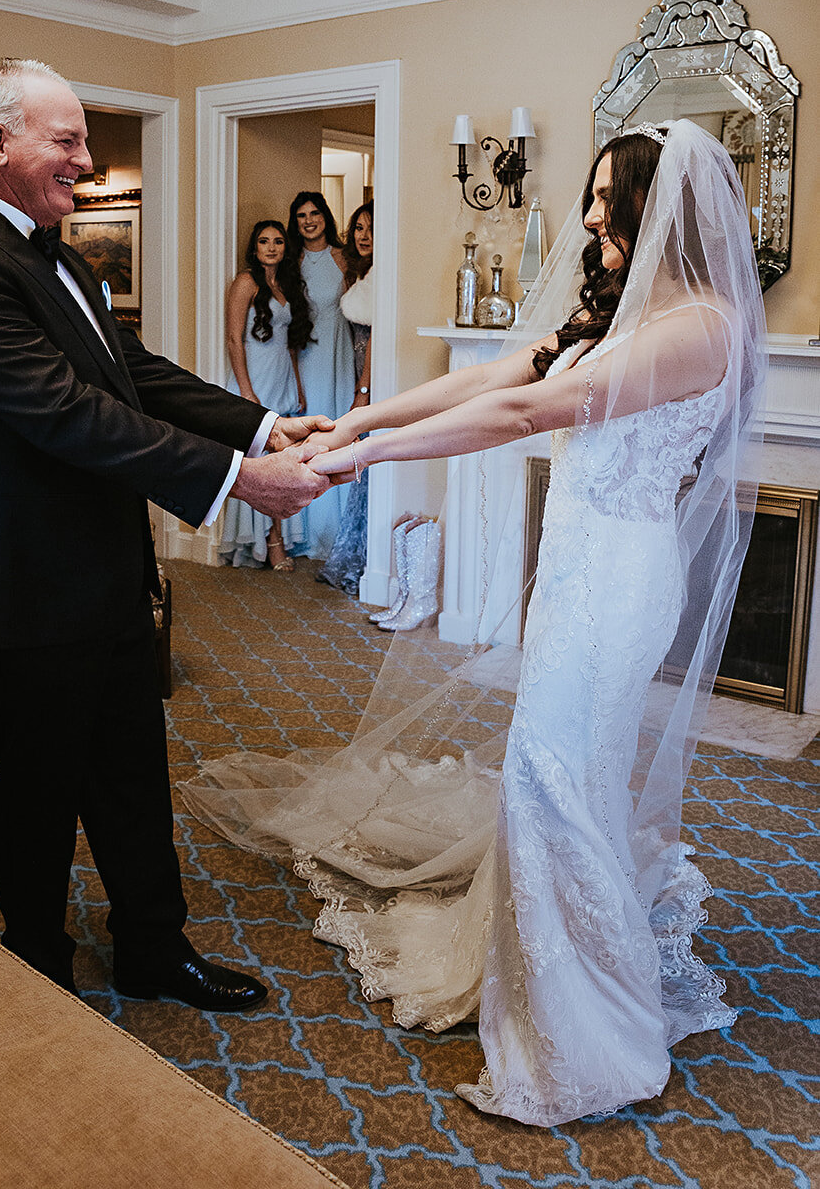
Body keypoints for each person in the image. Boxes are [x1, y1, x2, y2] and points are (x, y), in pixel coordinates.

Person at [183, 119, 765, 1123]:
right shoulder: (622, 309)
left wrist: (363, 461)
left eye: (601, 198)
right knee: (548, 767)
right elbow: (494, 377)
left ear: (652, 208)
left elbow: (529, 414)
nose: (587, 216)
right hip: (577, 562)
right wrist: (366, 418)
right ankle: (557, 960)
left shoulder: (701, 325)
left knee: (557, 774)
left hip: (620, 575)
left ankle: (590, 1026)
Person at [0, 57, 330, 1009]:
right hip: (26, 585)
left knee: (133, 772)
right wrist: (238, 481)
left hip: (106, 572)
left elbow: (136, 377)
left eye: (85, 142)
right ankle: (37, 958)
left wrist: (261, 427)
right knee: (40, 788)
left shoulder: (61, 253)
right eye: (68, 141)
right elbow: (64, 414)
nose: (88, 162)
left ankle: (150, 948)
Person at [221, 220, 314, 571]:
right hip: (254, 380)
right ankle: (270, 544)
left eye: (277, 241)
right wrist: (246, 390)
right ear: (254, 248)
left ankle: (278, 538)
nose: (271, 247)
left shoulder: (286, 284)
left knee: (282, 461)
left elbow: (289, 344)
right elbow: (234, 340)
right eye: (264, 241)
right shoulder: (245, 283)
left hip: (281, 377)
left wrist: (298, 385)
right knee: (260, 461)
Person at [287, 190, 356, 558]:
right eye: (301, 216)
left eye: (314, 213)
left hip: (339, 353)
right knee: (309, 434)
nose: (309, 220)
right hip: (306, 356)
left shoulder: (343, 258)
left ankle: (339, 534)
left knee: (338, 429)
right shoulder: (291, 262)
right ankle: (307, 533)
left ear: (325, 217)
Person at [316, 200, 374, 594]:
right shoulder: (358, 272)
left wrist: (363, 390)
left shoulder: (384, 274)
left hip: (369, 376)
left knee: (366, 463)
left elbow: (375, 337)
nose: (364, 235)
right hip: (348, 369)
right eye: (358, 228)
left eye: (371, 228)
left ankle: (364, 560)